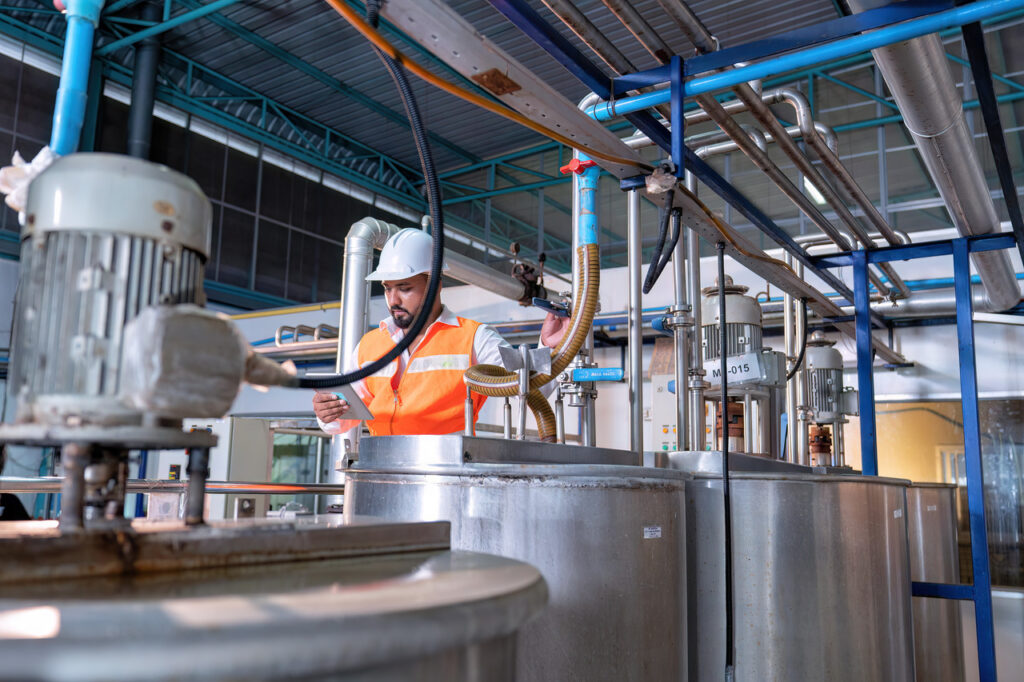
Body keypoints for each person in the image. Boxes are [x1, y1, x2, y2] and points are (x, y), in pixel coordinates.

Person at [314, 228, 569, 436]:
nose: (393, 300)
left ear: (435, 284)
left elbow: (531, 389)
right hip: (383, 471)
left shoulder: (473, 338)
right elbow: (342, 418)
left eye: (404, 288)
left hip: (447, 477)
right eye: (387, 288)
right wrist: (327, 413)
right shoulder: (369, 345)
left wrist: (548, 347)